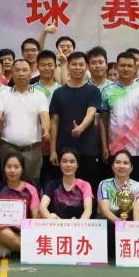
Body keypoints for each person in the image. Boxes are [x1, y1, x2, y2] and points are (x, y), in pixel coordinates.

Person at [99, 49, 139, 191]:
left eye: (130, 66)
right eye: (122, 65)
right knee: (115, 189)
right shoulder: (107, 91)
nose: (126, 69)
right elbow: (103, 121)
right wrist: (104, 146)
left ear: (136, 68)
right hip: (115, 149)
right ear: (116, 67)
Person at [49, 51, 105, 185]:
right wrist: (52, 150)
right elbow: (54, 122)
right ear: (68, 66)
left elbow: (91, 112)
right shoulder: (58, 93)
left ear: (87, 67)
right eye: (74, 64)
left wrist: (81, 128)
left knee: (88, 187)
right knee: (63, 188)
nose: (78, 68)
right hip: (63, 149)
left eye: (81, 65)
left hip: (87, 149)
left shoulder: (93, 91)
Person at [0, 58, 49, 183]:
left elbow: (44, 115)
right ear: (12, 73)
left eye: (24, 70)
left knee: (32, 184)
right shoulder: (3, 94)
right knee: (8, 183)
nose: (21, 73)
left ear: (31, 73)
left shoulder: (40, 95)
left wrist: (46, 130)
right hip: (8, 148)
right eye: (17, 70)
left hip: (32, 149)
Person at [0, 154, 41, 259]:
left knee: (6, 235)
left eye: (16, 167)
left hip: (23, 232)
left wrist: (22, 226)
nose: (12, 170)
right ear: (4, 169)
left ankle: (13, 249)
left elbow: (36, 218)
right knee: (2, 233)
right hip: (0, 231)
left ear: (22, 170)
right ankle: (32, 251)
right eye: (9, 167)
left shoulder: (31, 189)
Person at [41, 148, 94, 220]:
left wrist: (80, 222)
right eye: (64, 161)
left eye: (72, 162)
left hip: (78, 224)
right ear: (59, 164)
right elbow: (42, 207)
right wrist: (50, 218)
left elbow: (88, 209)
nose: (68, 165)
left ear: (77, 165)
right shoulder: (52, 185)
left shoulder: (85, 185)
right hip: (56, 224)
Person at [96, 150, 139, 222]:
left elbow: (137, 212)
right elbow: (105, 211)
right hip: (108, 222)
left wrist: (136, 226)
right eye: (117, 162)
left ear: (131, 168)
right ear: (112, 167)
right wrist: (121, 225)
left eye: (125, 163)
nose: (121, 166)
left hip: (128, 223)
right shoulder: (104, 184)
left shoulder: (138, 187)